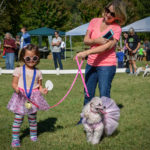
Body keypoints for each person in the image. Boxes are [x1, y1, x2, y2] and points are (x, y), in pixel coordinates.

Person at [76, 0, 127, 124]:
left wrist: (86, 53)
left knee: (104, 95)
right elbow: (86, 40)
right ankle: (85, 118)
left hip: (106, 65)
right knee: (88, 93)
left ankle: (104, 121)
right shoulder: (94, 21)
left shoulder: (116, 28)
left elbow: (107, 47)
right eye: (107, 10)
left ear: (118, 16)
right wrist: (96, 40)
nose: (108, 14)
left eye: (112, 14)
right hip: (91, 63)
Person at [7, 44, 50, 147]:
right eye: (28, 58)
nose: (31, 60)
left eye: (34, 58)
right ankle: (15, 139)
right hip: (21, 97)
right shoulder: (18, 70)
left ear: (38, 58)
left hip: (33, 98)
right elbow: (14, 83)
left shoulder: (38, 72)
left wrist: (42, 90)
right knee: (18, 118)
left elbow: (39, 86)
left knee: (33, 119)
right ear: (23, 57)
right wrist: (16, 88)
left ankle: (33, 135)